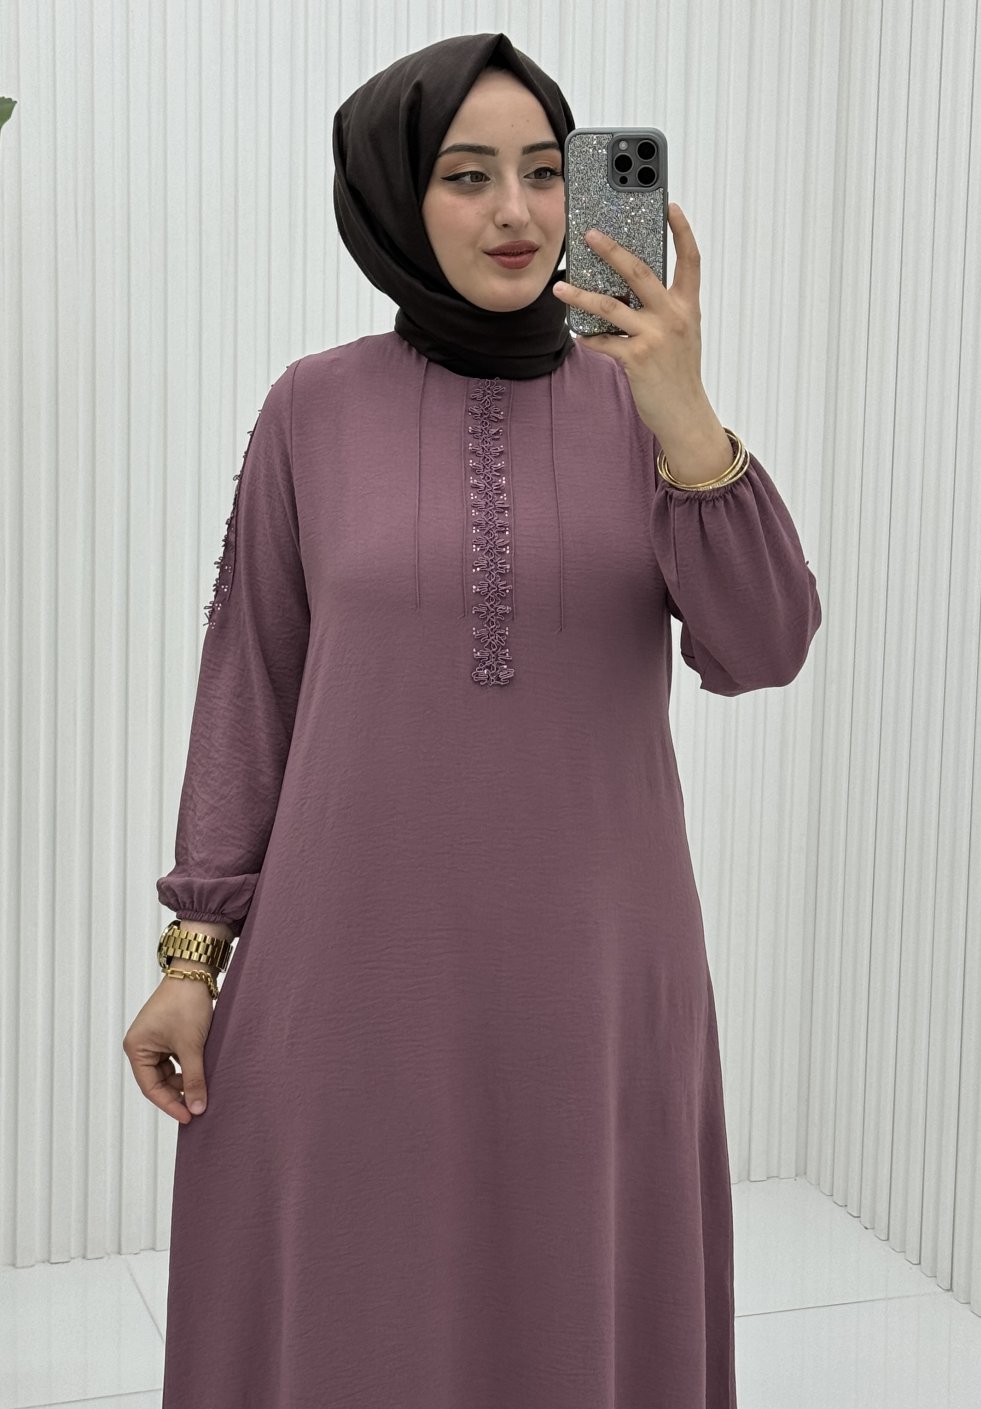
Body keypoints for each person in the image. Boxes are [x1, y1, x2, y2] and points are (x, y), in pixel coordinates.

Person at [122, 30, 821, 1409]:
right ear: (396, 195)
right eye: (466, 174)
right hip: (354, 970)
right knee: (360, 1305)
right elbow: (251, 685)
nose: (517, 211)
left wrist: (684, 413)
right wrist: (194, 953)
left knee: (574, 1290)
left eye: (547, 172)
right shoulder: (312, 409)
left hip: (596, 972)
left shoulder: (648, 407)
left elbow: (764, 648)